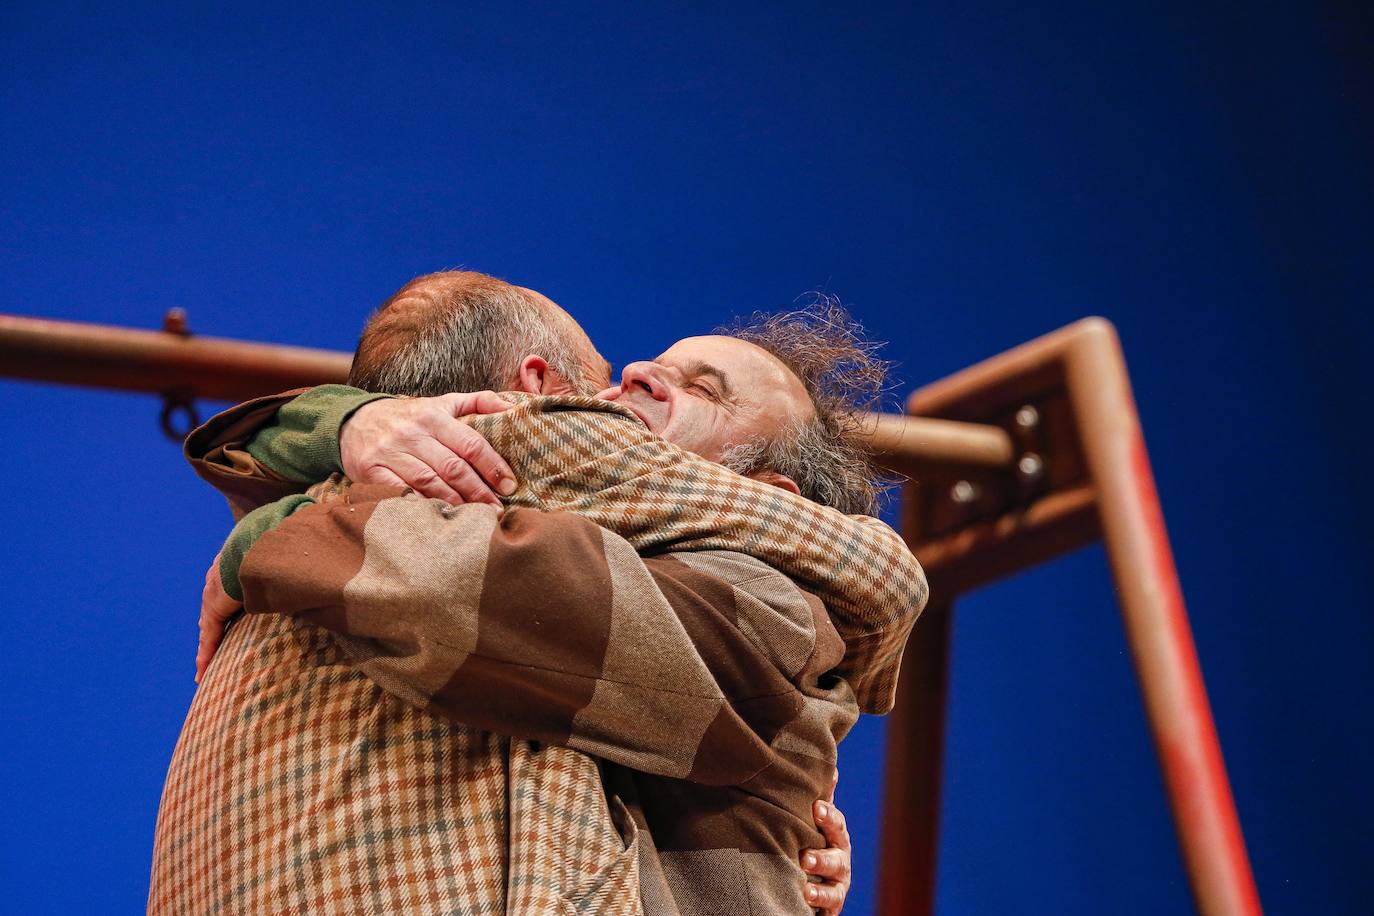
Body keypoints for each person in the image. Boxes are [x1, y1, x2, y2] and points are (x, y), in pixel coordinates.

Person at [151, 272, 926, 914]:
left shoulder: (780, 604)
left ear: (769, 496)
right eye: (640, 368)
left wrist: (279, 521)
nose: (634, 375)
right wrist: (350, 428)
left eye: (703, 390)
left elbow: (471, 571)